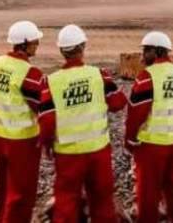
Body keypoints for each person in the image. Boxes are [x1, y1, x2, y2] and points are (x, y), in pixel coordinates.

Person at [38, 25, 127, 223]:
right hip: (98, 151)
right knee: (102, 202)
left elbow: (46, 120)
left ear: (62, 51)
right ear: (83, 47)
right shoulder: (99, 75)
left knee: (66, 202)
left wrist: (46, 145)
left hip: (68, 154)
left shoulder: (50, 82)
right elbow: (118, 103)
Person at [125, 31, 173, 223]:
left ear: (157, 51)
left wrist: (130, 139)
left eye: (146, 50)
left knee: (147, 192)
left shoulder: (148, 77)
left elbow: (136, 112)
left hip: (151, 145)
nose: (142, 56)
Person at [0, 20, 44, 223]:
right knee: (22, 193)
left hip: (0, 136)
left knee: (3, 187)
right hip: (23, 141)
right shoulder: (30, 73)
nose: (37, 44)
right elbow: (42, 107)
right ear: (25, 43)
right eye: (35, 41)